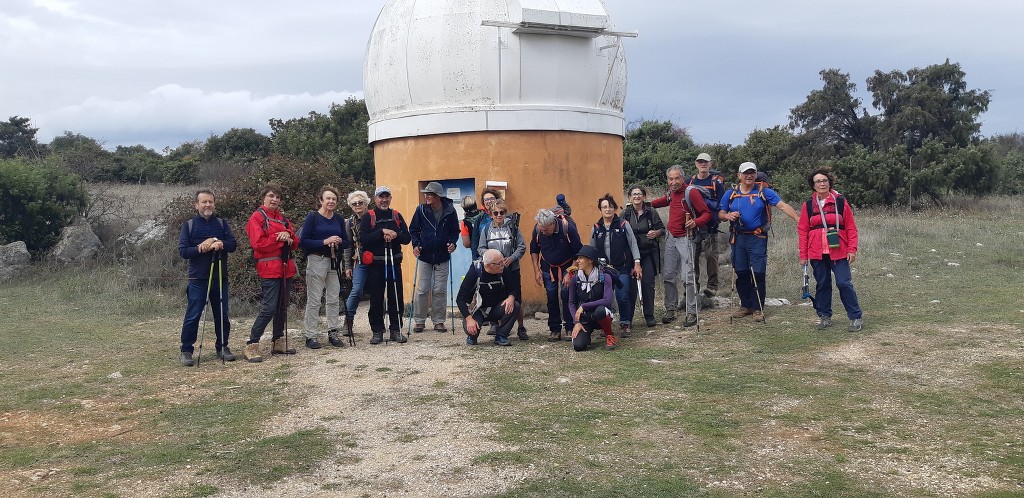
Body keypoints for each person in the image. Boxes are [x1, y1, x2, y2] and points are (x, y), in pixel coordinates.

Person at [719, 162, 799, 322]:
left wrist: (799, 219)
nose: (749, 176)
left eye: (752, 173)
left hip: (757, 237)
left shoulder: (764, 192)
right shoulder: (730, 193)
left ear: (756, 175)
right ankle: (745, 305)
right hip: (738, 237)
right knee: (741, 272)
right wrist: (727, 216)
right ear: (739, 175)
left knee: (758, 273)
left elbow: (782, 206)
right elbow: (720, 213)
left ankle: (758, 308)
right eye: (746, 173)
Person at [798, 168, 863, 332]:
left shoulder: (840, 201)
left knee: (844, 283)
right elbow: (803, 230)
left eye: (824, 180)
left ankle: (855, 317)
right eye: (818, 181)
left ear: (829, 182)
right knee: (822, 284)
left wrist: (852, 249)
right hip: (816, 252)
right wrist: (803, 255)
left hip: (839, 250)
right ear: (813, 185)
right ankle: (824, 316)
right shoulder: (808, 205)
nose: (821, 183)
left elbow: (851, 227)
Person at [177, 189, 238, 366]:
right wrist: (200, 248)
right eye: (204, 202)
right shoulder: (188, 225)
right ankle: (186, 350)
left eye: (210, 202)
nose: (207, 205)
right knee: (193, 315)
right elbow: (183, 251)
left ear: (214, 204)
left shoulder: (222, 223)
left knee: (222, 315)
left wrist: (218, 242)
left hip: (220, 277)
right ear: (196, 205)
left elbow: (232, 245)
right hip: (197, 279)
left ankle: (222, 347)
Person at [650, 165, 712, 327]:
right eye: (671, 179)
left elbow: (706, 214)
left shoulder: (690, 192)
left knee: (688, 277)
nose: (674, 181)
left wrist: (695, 222)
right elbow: (662, 201)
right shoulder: (672, 193)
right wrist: (645, 204)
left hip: (687, 238)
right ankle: (670, 309)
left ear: (682, 178)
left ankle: (692, 312)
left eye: (677, 178)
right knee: (669, 275)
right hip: (671, 237)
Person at [244, 184, 300, 363]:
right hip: (269, 268)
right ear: (264, 198)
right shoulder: (257, 217)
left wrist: (288, 236)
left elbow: (296, 242)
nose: (274, 199)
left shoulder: (283, 219)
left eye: (277, 197)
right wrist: (279, 238)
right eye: (271, 196)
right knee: (269, 308)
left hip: (285, 267)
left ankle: (278, 342)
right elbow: (258, 243)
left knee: (282, 307)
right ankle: (251, 344)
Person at [298, 185, 349, 349]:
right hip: (316, 260)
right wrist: (324, 242)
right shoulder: (313, 217)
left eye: (334, 199)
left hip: (334, 261)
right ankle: (311, 336)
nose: (331, 201)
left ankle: (333, 332)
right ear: (321, 200)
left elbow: (347, 242)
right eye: (328, 198)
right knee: (314, 300)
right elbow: (303, 241)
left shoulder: (339, 219)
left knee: (333, 298)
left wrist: (339, 241)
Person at [359, 186, 412, 344]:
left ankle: (396, 329)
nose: (384, 200)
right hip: (376, 264)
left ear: (390, 198)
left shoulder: (396, 215)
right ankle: (377, 330)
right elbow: (364, 239)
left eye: (387, 197)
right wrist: (381, 233)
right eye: (381, 197)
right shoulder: (369, 216)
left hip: (393, 262)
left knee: (396, 296)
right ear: (375, 199)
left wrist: (395, 235)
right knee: (376, 298)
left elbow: (407, 238)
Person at [409, 181, 460, 333]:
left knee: (440, 290)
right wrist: (416, 244)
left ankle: (439, 321)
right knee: (423, 289)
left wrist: (453, 243)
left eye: (429, 194)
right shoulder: (421, 210)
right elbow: (414, 229)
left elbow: (454, 231)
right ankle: (419, 320)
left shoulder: (450, 211)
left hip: (442, 255)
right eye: (426, 193)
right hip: (424, 255)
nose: (426, 196)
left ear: (437, 196)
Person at [589, 194, 642, 337]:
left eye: (610, 206)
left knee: (622, 296)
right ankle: (605, 325)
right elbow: (592, 250)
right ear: (600, 210)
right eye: (604, 207)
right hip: (603, 270)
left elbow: (633, 245)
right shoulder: (596, 228)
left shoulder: (624, 225)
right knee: (604, 299)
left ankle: (625, 324)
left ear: (614, 208)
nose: (608, 209)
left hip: (622, 268)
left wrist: (637, 263)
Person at [477, 198, 528, 340]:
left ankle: (521, 326)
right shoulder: (486, 229)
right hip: (494, 270)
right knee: (497, 298)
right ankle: (499, 325)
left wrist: (511, 258)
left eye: (502, 212)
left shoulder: (513, 228)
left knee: (516, 298)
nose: (499, 215)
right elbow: (480, 248)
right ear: (491, 215)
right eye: (496, 213)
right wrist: (491, 257)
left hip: (511, 269)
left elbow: (522, 246)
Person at [530, 208, 583, 341]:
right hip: (548, 268)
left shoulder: (567, 229)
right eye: (541, 229)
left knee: (567, 296)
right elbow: (534, 250)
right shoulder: (537, 229)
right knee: (551, 297)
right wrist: (537, 271)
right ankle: (554, 329)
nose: (543, 232)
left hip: (567, 267)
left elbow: (578, 253)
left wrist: (570, 271)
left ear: (553, 223)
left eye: (545, 230)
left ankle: (570, 327)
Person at [456, 249, 522, 346]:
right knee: (472, 330)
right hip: (478, 310)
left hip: (496, 308)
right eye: (499, 263)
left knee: (515, 305)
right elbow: (460, 299)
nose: (503, 265)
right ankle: (472, 336)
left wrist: (511, 297)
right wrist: (469, 319)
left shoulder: (504, 270)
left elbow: (512, 289)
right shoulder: (475, 271)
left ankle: (501, 335)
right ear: (489, 265)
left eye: (503, 261)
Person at [620, 185, 665, 328]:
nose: (637, 197)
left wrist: (656, 233)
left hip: (648, 253)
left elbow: (662, 229)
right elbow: (619, 231)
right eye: (634, 194)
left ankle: (649, 315)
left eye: (639, 194)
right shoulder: (625, 213)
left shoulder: (651, 212)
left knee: (648, 284)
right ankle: (629, 318)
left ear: (644, 196)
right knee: (631, 287)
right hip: (631, 256)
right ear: (629, 197)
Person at [567, 245, 617, 351]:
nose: (577, 261)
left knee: (600, 310)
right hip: (585, 317)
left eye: (581, 258)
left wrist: (584, 306)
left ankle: (609, 335)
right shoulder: (575, 279)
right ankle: (586, 336)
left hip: (600, 313)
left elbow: (607, 301)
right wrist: (576, 323)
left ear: (590, 260)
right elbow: (571, 303)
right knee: (579, 346)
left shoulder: (605, 277)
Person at [690, 153, 725, 298]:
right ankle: (693, 287)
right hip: (693, 227)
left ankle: (712, 287)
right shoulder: (690, 181)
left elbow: (722, 204)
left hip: (711, 227)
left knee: (711, 257)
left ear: (711, 164)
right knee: (693, 258)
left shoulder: (716, 182)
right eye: (700, 162)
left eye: (706, 162)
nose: (703, 164)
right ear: (696, 164)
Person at [342, 190, 371, 338]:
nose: (358, 205)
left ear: (366, 204)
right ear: (351, 206)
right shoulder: (350, 223)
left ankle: (377, 324)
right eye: (354, 203)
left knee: (378, 292)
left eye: (361, 202)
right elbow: (348, 246)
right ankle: (348, 321)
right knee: (357, 289)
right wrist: (347, 266)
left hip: (376, 260)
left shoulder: (374, 218)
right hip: (359, 261)